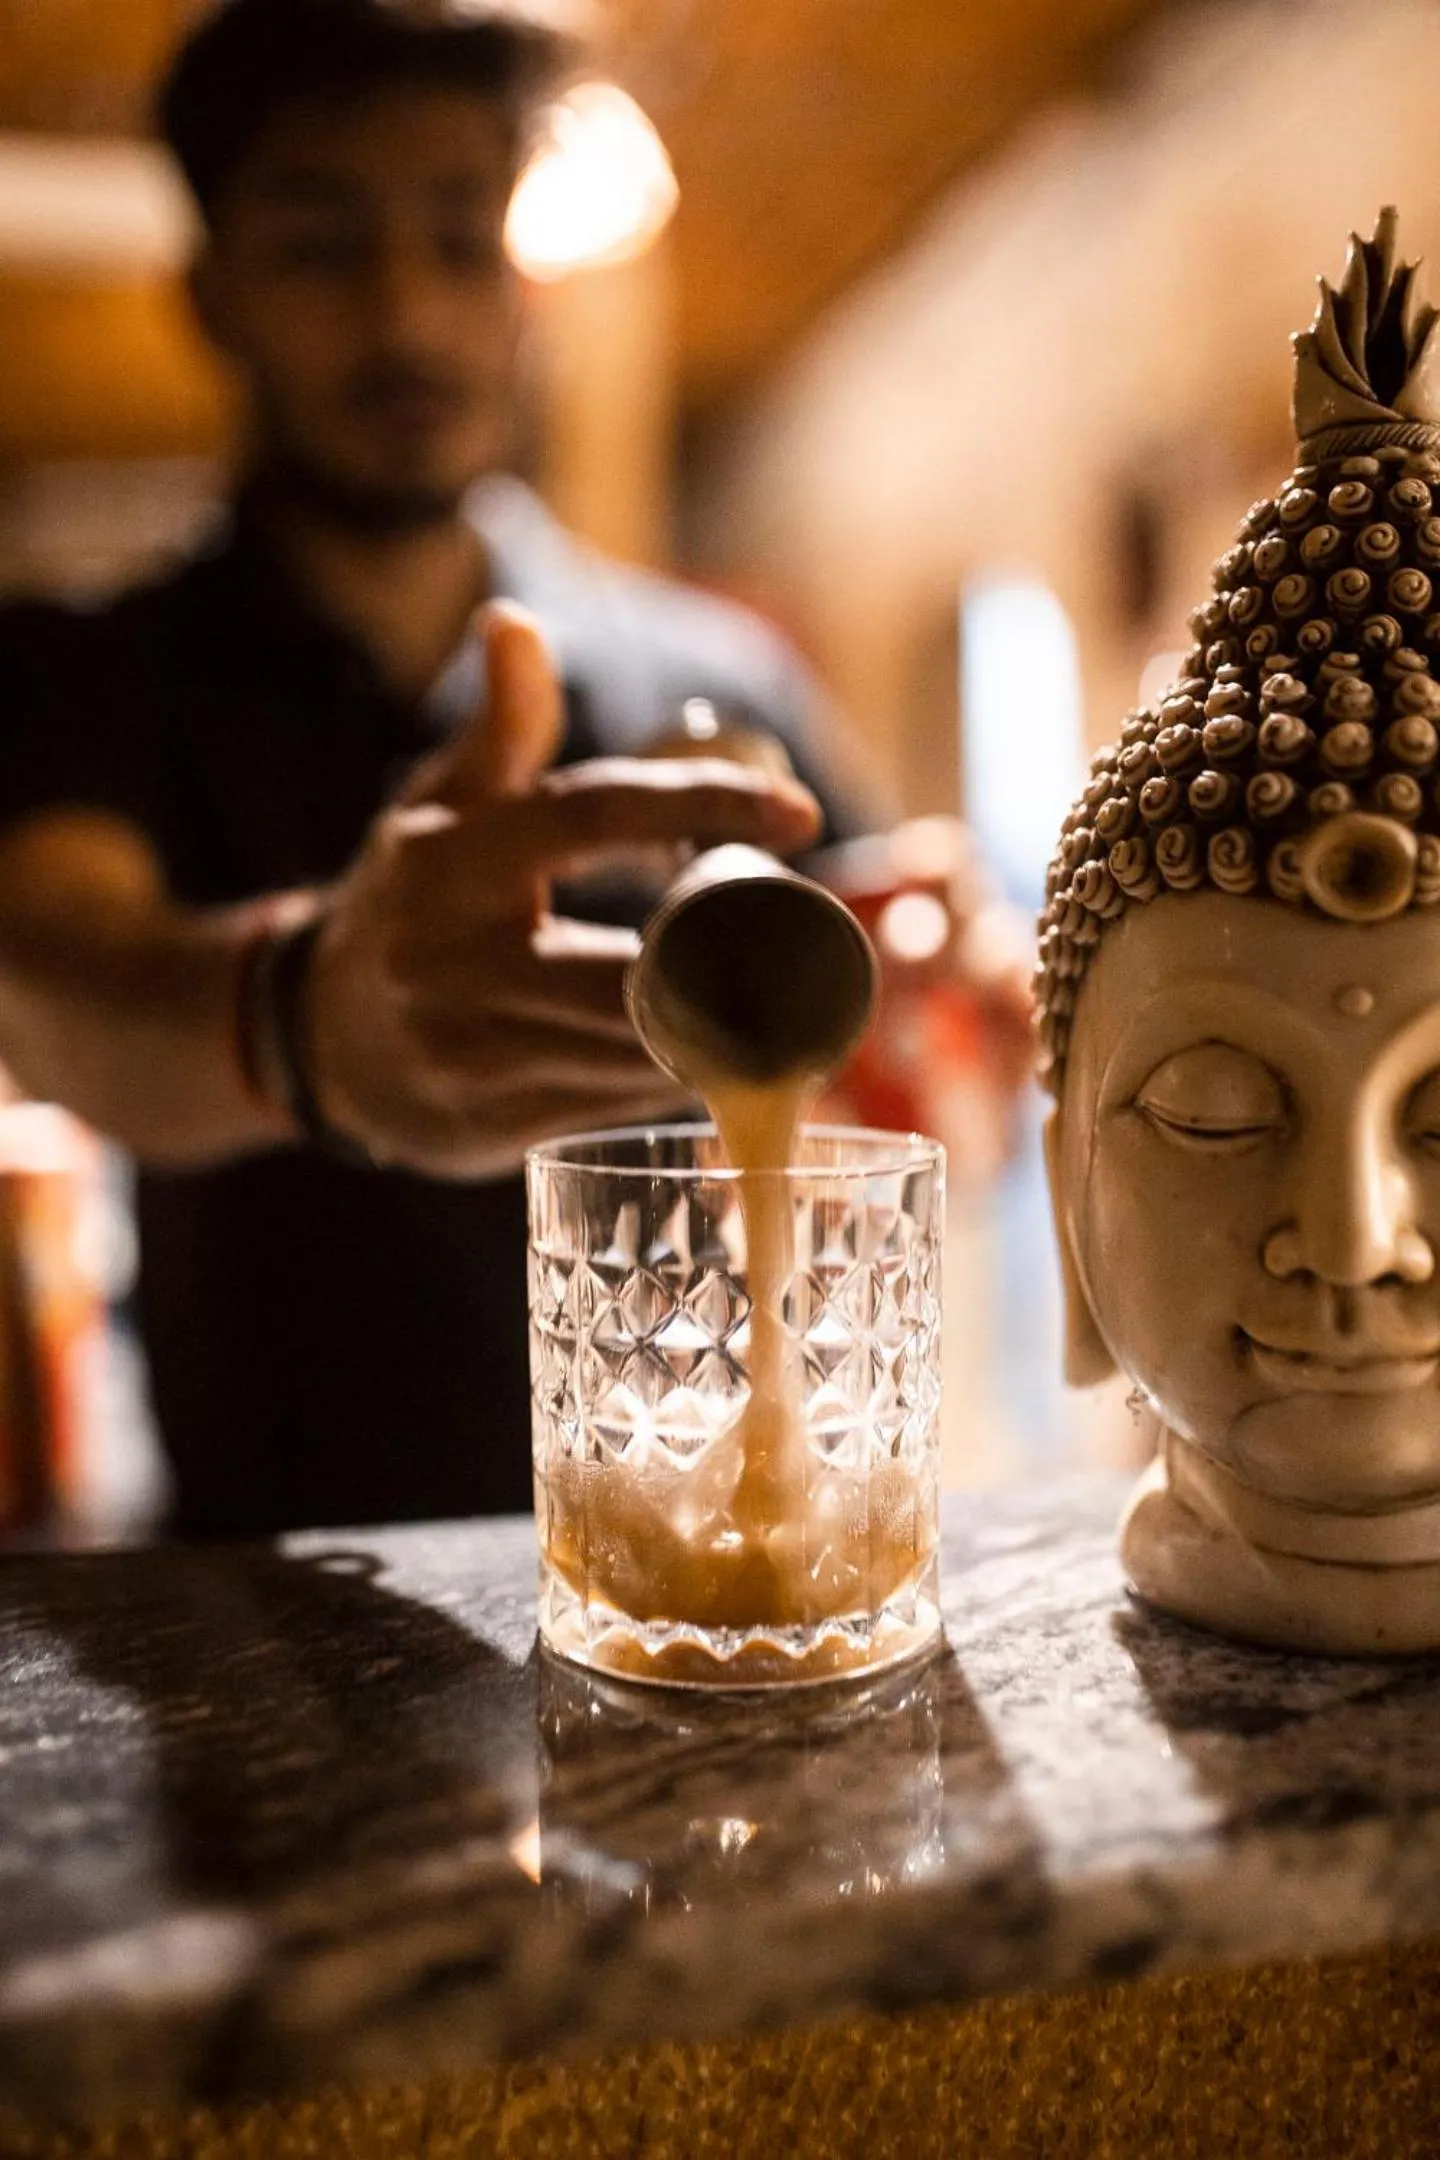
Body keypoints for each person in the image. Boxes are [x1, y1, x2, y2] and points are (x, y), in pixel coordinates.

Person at [0, 0, 1000, 1538]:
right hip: (282, 1603)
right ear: (212, 295)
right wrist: (305, 1017)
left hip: (708, 1560)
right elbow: (62, 980)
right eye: (326, 246)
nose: (407, 315)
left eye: (460, 241)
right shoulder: (93, 674)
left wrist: (950, 1005)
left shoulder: (719, 679)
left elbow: (895, 1035)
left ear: (525, 288)